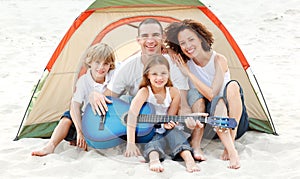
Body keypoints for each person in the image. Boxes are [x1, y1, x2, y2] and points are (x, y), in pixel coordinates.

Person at [165, 19, 249, 169]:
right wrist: (171, 50)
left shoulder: (218, 59)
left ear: (201, 38)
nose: (188, 46)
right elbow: (159, 45)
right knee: (204, 97)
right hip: (212, 125)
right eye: (182, 43)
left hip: (234, 122)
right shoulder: (185, 61)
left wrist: (188, 73)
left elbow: (212, 94)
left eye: (191, 39)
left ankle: (231, 147)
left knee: (231, 88)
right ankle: (207, 144)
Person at [88, 18, 191, 117]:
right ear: (138, 40)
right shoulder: (127, 66)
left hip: (168, 124)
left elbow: (183, 105)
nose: (150, 41)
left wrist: (190, 119)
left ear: (163, 38)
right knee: (124, 99)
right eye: (145, 36)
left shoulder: (175, 64)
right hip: (138, 126)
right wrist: (95, 95)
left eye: (155, 35)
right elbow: (109, 96)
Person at [31, 43, 116, 156]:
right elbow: (74, 106)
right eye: (97, 62)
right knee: (67, 118)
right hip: (85, 119)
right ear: (89, 62)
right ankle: (50, 146)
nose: (101, 67)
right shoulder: (84, 81)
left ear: (110, 65)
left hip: (103, 119)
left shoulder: (113, 76)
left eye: (105, 64)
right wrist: (80, 131)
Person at [124, 55, 201, 173]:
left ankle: (189, 160)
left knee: (176, 134)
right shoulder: (144, 92)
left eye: (163, 73)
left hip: (166, 128)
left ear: (168, 74)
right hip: (149, 130)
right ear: (147, 75)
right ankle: (154, 160)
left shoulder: (174, 92)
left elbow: (170, 117)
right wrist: (131, 143)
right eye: (154, 74)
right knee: (153, 140)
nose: (159, 77)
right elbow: (132, 116)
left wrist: (168, 125)